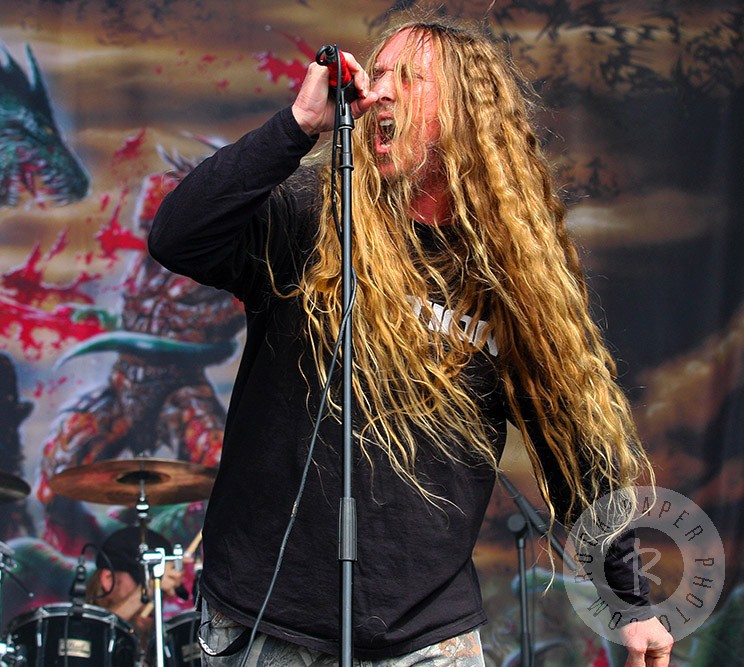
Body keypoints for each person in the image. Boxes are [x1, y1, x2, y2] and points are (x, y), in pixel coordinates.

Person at [148, 12, 674, 667]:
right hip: (268, 618)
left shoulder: (510, 277)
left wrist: (630, 599)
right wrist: (298, 125)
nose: (381, 90)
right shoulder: (313, 219)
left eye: (409, 77)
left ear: (466, 114)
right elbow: (177, 237)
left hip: (426, 633)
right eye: (379, 73)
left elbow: (576, 449)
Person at [85, 526, 187, 660]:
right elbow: (91, 646)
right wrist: (148, 588)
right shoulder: (72, 635)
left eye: (162, 590)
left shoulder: (168, 653)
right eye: (142, 584)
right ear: (108, 579)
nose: (154, 599)